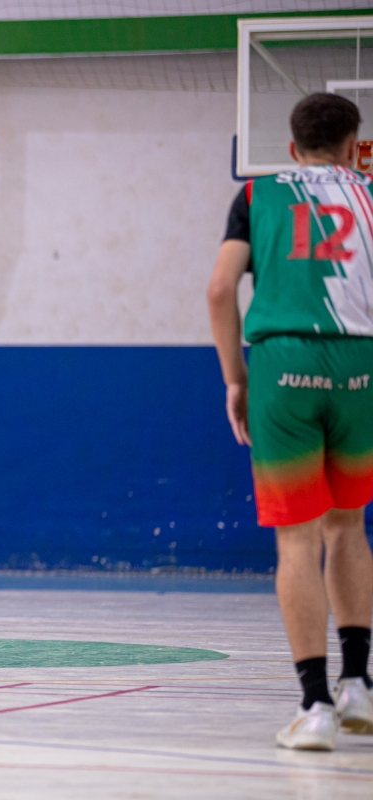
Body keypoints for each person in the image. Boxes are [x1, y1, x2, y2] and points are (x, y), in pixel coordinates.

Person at [208, 93, 373, 750]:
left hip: (283, 362)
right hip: (361, 362)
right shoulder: (369, 195)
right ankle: (358, 683)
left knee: (297, 541)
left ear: (291, 147)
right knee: (349, 528)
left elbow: (220, 288)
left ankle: (316, 706)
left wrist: (236, 379)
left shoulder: (257, 195)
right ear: (355, 146)